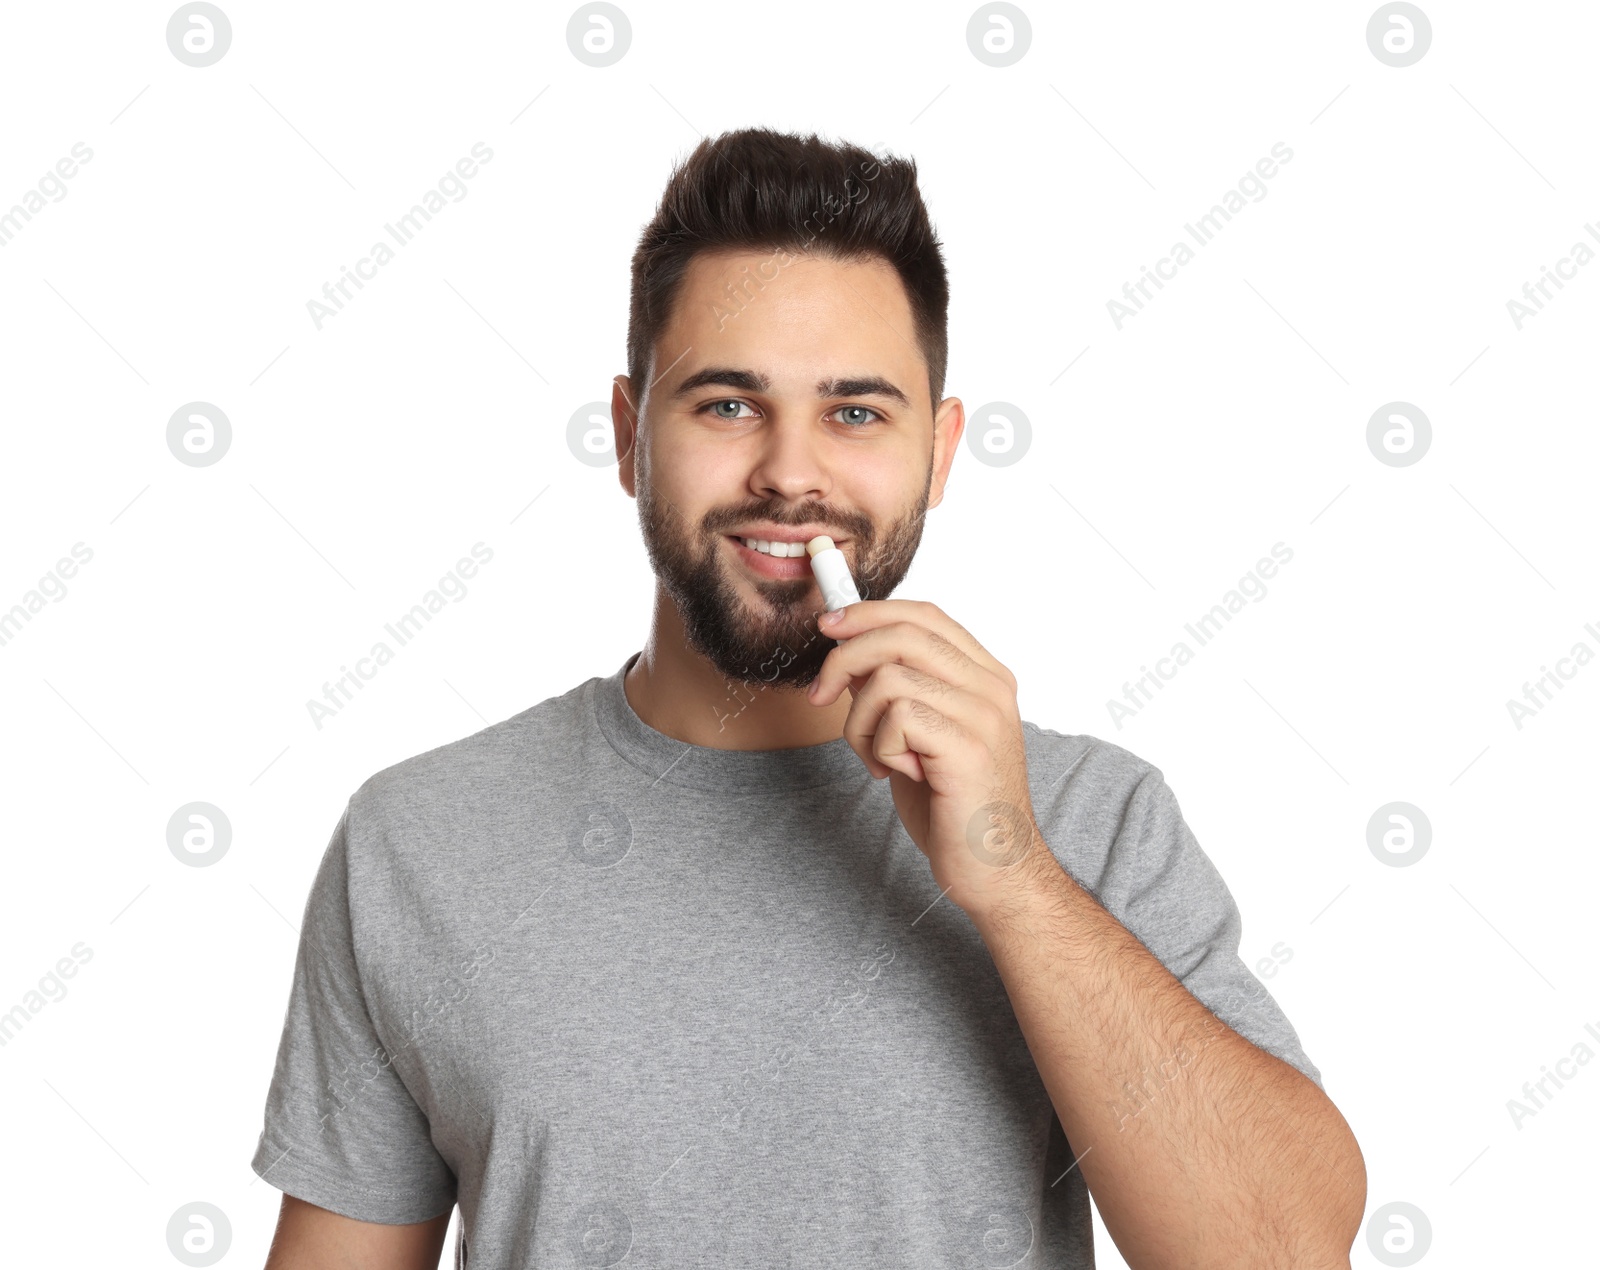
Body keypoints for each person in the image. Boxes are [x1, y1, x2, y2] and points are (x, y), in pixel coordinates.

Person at [251, 127, 1365, 1269]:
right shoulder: (421, 838)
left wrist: (1016, 881)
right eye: (728, 406)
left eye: (856, 413)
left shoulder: (1092, 818)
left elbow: (1283, 1251)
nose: (790, 472)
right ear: (632, 436)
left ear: (938, 453)